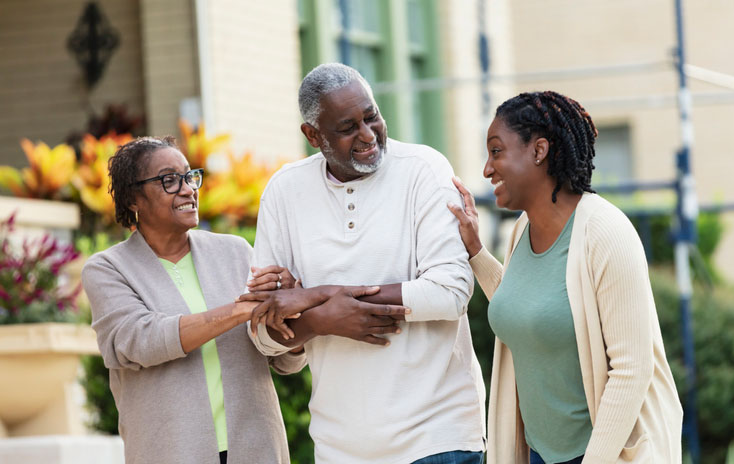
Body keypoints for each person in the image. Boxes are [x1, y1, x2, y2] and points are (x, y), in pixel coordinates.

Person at [240, 63, 486, 464]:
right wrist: (321, 319)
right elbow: (265, 336)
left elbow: (451, 292)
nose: (368, 135)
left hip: (437, 439)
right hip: (340, 449)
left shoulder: (424, 170)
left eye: (372, 116)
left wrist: (318, 297)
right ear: (313, 135)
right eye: (348, 127)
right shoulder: (284, 192)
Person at [447, 91, 683, 463]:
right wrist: (476, 252)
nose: (487, 169)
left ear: (538, 151)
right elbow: (526, 307)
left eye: (496, 151)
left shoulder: (606, 233)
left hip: (602, 455)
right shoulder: (522, 230)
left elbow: (632, 369)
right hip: (540, 453)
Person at [81, 136, 304, 464]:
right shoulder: (108, 269)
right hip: (171, 452)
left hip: (256, 448)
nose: (188, 189)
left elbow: (281, 358)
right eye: (169, 180)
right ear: (133, 200)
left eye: (189, 176)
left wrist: (289, 318)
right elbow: (140, 341)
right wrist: (239, 310)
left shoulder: (235, 252)